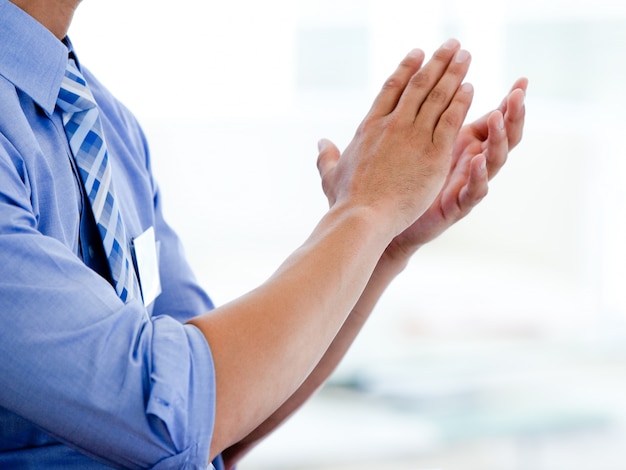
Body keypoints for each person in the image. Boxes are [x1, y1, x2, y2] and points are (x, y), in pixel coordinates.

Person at [0, 0, 527, 468]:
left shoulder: (107, 122)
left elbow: (225, 416)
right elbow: (172, 413)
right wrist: (365, 210)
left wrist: (384, 240)